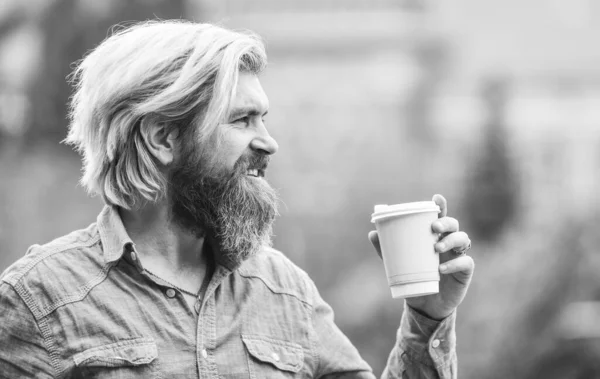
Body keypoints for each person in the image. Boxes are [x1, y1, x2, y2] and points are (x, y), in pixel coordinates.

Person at [0, 20, 474, 378]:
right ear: (163, 137)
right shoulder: (39, 299)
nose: (269, 142)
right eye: (243, 120)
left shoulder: (284, 291)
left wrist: (428, 315)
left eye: (264, 119)